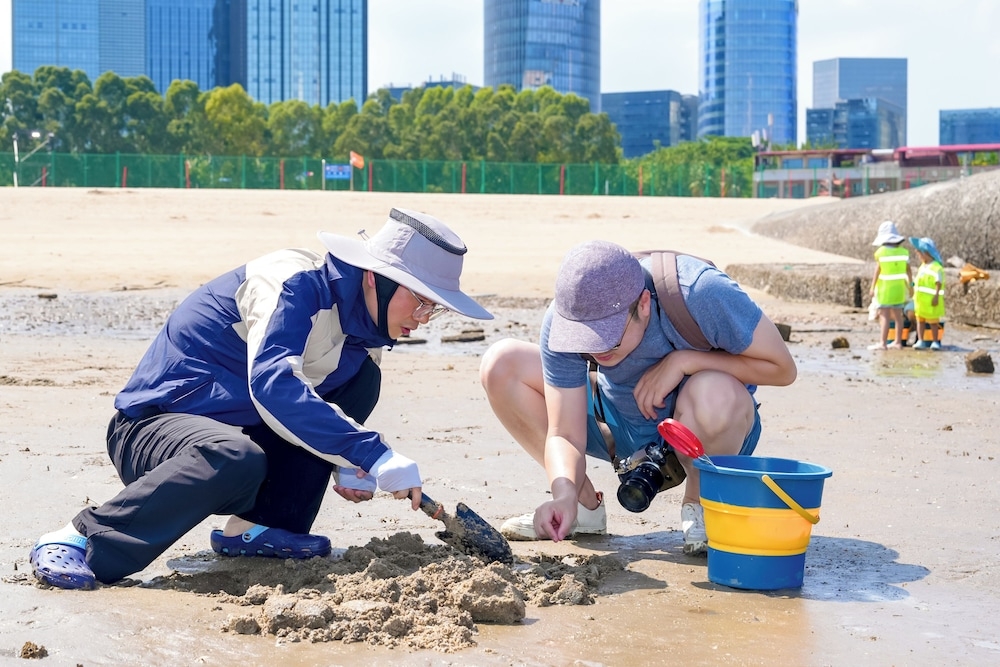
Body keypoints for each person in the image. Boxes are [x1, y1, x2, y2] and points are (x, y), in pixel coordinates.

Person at [29, 208, 493, 590]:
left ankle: (258, 527)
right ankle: (81, 539)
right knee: (233, 455)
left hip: (240, 437)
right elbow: (273, 385)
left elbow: (315, 406)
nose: (425, 318)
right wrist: (371, 450)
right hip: (156, 429)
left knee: (361, 383)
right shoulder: (291, 281)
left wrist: (347, 461)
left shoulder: (362, 336)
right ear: (377, 279)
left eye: (435, 307)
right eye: (421, 301)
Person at [479, 240, 797, 555]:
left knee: (717, 394)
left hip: (707, 431)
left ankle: (701, 504)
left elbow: (782, 369)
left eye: (609, 341)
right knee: (501, 364)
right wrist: (562, 493)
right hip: (618, 423)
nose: (596, 350)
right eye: (585, 341)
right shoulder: (566, 319)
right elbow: (564, 433)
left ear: (643, 304)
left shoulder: (702, 292)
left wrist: (685, 361)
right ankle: (581, 507)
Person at [868, 220, 913, 350]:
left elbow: (878, 270)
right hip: (899, 288)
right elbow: (908, 270)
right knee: (898, 316)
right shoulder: (904, 252)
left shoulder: (880, 252)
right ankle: (898, 342)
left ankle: (883, 342)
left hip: (885, 289)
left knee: (884, 315)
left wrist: (872, 287)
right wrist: (911, 285)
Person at [909, 236, 945, 350]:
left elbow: (938, 283)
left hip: (931, 301)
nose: (918, 255)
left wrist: (936, 296)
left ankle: (935, 341)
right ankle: (921, 340)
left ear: (926, 253)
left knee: (933, 322)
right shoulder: (923, 267)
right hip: (920, 300)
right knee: (920, 321)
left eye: (919, 253)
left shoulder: (936, 267)